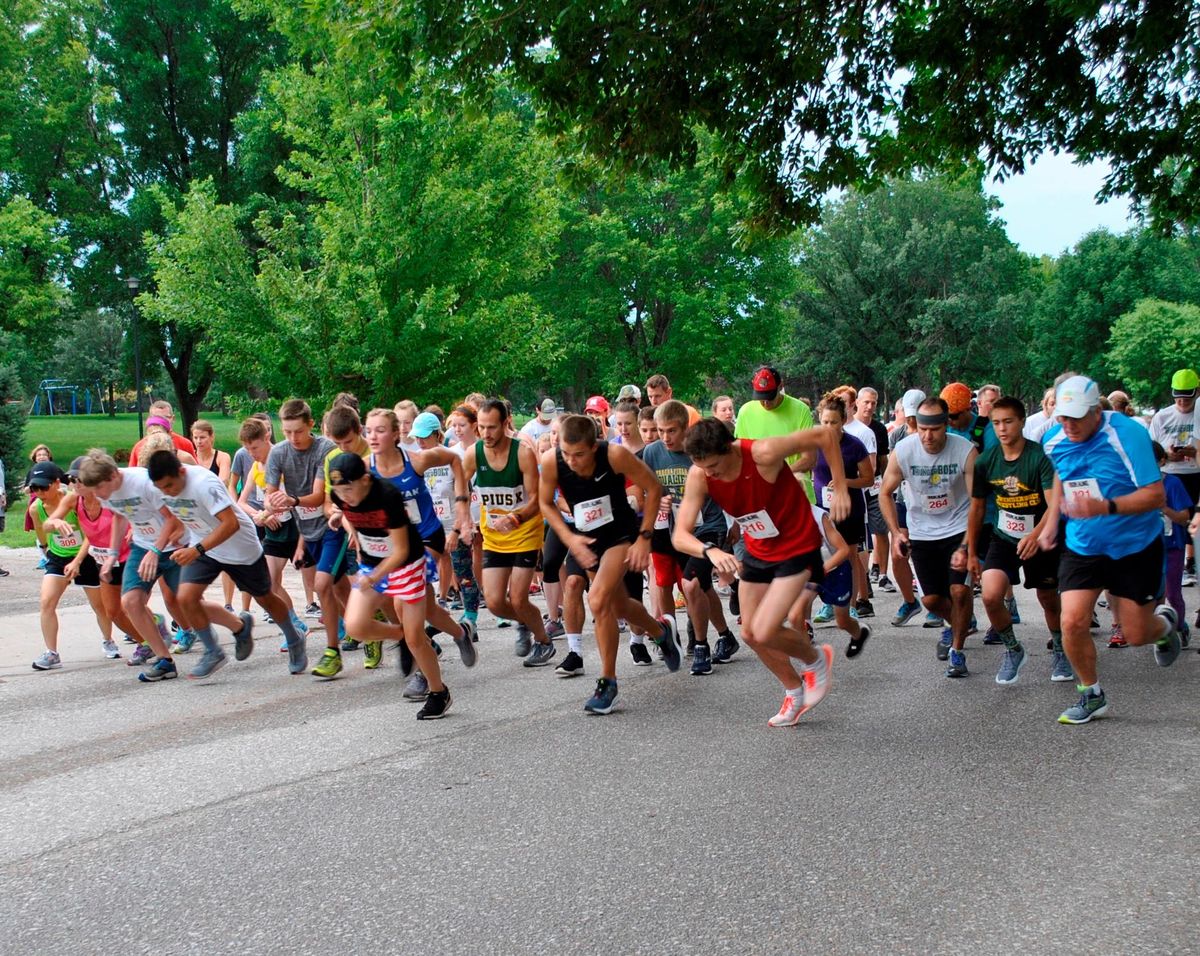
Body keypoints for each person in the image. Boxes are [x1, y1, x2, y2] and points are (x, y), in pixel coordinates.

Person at [674, 418, 850, 727]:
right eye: (702, 467)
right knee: (750, 633)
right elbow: (680, 535)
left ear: (729, 448)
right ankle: (794, 692)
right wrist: (710, 551)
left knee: (766, 629)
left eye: (714, 465)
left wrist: (842, 488)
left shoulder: (763, 453)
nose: (709, 473)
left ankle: (816, 660)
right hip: (759, 547)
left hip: (797, 544)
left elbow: (824, 435)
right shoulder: (700, 474)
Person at [1040, 376, 1182, 725]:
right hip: (1084, 544)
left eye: (1075, 417)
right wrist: (1051, 521)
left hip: (1135, 544)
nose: (1068, 425)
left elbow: (1155, 495)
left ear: (1095, 411)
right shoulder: (1053, 437)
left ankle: (1164, 628)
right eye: (1062, 417)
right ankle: (1091, 694)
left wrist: (1105, 507)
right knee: (1071, 620)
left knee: (1135, 634)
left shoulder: (1128, 434)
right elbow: (1061, 474)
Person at [538, 414, 683, 713]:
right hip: (586, 538)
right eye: (566, 453)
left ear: (594, 447)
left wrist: (644, 538)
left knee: (598, 598)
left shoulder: (614, 455)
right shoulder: (553, 462)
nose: (572, 461)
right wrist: (569, 537)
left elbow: (654, 489)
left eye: (579, 454)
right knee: (617, 605)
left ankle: (608, 682)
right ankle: (660, 632)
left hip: (620, 535)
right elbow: (544, 502)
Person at [147, 449, 310, 679]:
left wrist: (197, 549)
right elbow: (182, 512)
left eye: (170, 486)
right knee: (185, 597)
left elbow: (231, 524)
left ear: (182, 472)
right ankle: (213, 651)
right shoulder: (163, 488)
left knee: (265, 598)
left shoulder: (204, 484)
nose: (167, 493)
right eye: (161, 488)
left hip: (239, 547)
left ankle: (294, 638)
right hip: (204, 546)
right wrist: (180, 533)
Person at [327, 452, 464, 719]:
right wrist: (351, 529)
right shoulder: (340, 496)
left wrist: (375, 576)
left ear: (365, 480)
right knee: (356, 626)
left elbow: (401, 550)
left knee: (416, 638)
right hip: (373, 564)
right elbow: (345, 513)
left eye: (349, 489)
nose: (345, 496)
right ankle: (401, 635)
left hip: (407, 563)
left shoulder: (387, 497)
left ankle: (439, 692)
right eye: (339, 491)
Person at [967, 397, 1068, 684]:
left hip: (1040, 536)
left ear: (1022, 422)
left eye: (1008, 422)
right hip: (1003, 537)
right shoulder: (986, 461)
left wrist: (1035, 535)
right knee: (990, 595)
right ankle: (1013, 649)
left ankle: (1060, 649)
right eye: (996, 423)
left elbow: (1054, 505)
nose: (1002, 429)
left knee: (1048, 597)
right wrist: (972, 551)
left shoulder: (1039, 458)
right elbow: (976, 508)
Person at [878, 397, 978, 678]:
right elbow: (885, 493)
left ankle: (957, 652)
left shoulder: (965, 451)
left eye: (934, 429)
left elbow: (977, 500)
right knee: (932, 601)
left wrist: (969, 543)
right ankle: (959, 622)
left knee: (958, 591)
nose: (927, 436)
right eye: (922, 428)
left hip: (957, 528)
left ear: (946, 426)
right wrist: (897, 532)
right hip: (921, 532)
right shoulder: (904, 450)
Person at [642, 400, 739, 672]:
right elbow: (649, 489)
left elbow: (726, 484)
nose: (665, 437)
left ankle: (700, 646)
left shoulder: (698, 451)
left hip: (709, 526)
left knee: (691, 585)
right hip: (677, 531)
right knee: (702, 587)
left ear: (686, 428)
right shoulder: (652, 453)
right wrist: (657, 500)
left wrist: (735, 523)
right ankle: (725, 636)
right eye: (660, 431)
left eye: (671, 431)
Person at [463, 398, 555, 666]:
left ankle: (544, 642)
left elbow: (538, 500)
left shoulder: (522, 453)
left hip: (525, 533)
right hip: (494, 537)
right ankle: (524, 622)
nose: (486, 434)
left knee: (518, 598)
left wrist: (516, 517)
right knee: (493, 602)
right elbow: (460, 481)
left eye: (492, 427)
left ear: (505, 424)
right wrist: (462, 514)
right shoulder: (473, 454)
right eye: (481, 427)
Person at [264, 399, 349, 679]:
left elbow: (317, 495)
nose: (292, 438)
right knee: (339, 589)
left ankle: (332, 652)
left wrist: (291, 499)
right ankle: (365, 627)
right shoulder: (278, 453)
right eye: (287, 432)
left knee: (322, 584)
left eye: (298, 431)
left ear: (310, 425)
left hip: (332, 525)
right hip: (307, 529)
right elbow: (269, 491)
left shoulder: (325, 449)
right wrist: (271, 503)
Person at [27, 462, 120, 670]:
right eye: (35, 488)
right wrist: (45, 550)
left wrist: (77, 560)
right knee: (46, 602)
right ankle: (52, 653)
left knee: (100, 606)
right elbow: (41, 531)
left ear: (57, 483)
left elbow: (90, 535)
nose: (39, 492)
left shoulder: (74, 500)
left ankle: (108, 639)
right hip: (58, 557)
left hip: (85, 555)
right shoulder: (36, 507)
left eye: (44, 487)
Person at [810, 393, 873, 626]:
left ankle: (853, 605)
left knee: (849, 556)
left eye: (833, 422)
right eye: (824, 422)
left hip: (850, 508)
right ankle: (828, 603)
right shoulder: (814, 444)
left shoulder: (854, 445)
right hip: (822, 509)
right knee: (826, 556)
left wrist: (845, 481)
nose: (828, 427)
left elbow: (868, 478)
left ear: (843, 421)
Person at [734, 365, 815, 500]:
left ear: (780, 386)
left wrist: (776, 474)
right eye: (760, 397)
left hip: (797, 493)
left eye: (770, 397)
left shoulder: (801, 410)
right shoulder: (745, 412)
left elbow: (809, 459)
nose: (765, 402)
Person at [1149, 368, 1198, 587]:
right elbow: (1152, 446)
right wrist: (1166, 455)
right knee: (1172, 521)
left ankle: (1190, 561)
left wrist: (1194, 452)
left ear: (1196, 392)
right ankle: (1178, 562)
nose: (1182, 401)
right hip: (1170, 474)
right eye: (1178, 396)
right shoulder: (1162, 416)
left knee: (1192, 521)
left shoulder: (1198, 412)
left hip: (1195, 473)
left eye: (1187, 397)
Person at [855, 387, 895, 594]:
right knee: (860, 534)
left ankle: (882, 574)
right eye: (866, 402)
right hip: (856, 485)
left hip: (876, 485)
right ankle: (863, 576)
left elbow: (883, 459)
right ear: (857, 403)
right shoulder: (850, 427)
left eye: (874, 403)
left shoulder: (879, 429)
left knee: (881, 528)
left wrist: (886, 484)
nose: (870, 406)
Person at [1155, 442, 1192, 647]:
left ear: (1162, 461)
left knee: (1172, 593)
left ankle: (1179, 627)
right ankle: (1161, 632)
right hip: (1145, 548)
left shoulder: (1173, 483)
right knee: (1152, 595)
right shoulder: (1133, 484)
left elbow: (1184, 518)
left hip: (1172, 546)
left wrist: (1164, 508)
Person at [128, 401, 198, 465]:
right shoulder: (139, 447)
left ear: (172, 419)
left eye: (165, 417)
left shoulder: (185, 444)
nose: (160, 422)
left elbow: (197, 473)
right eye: (156, 417)